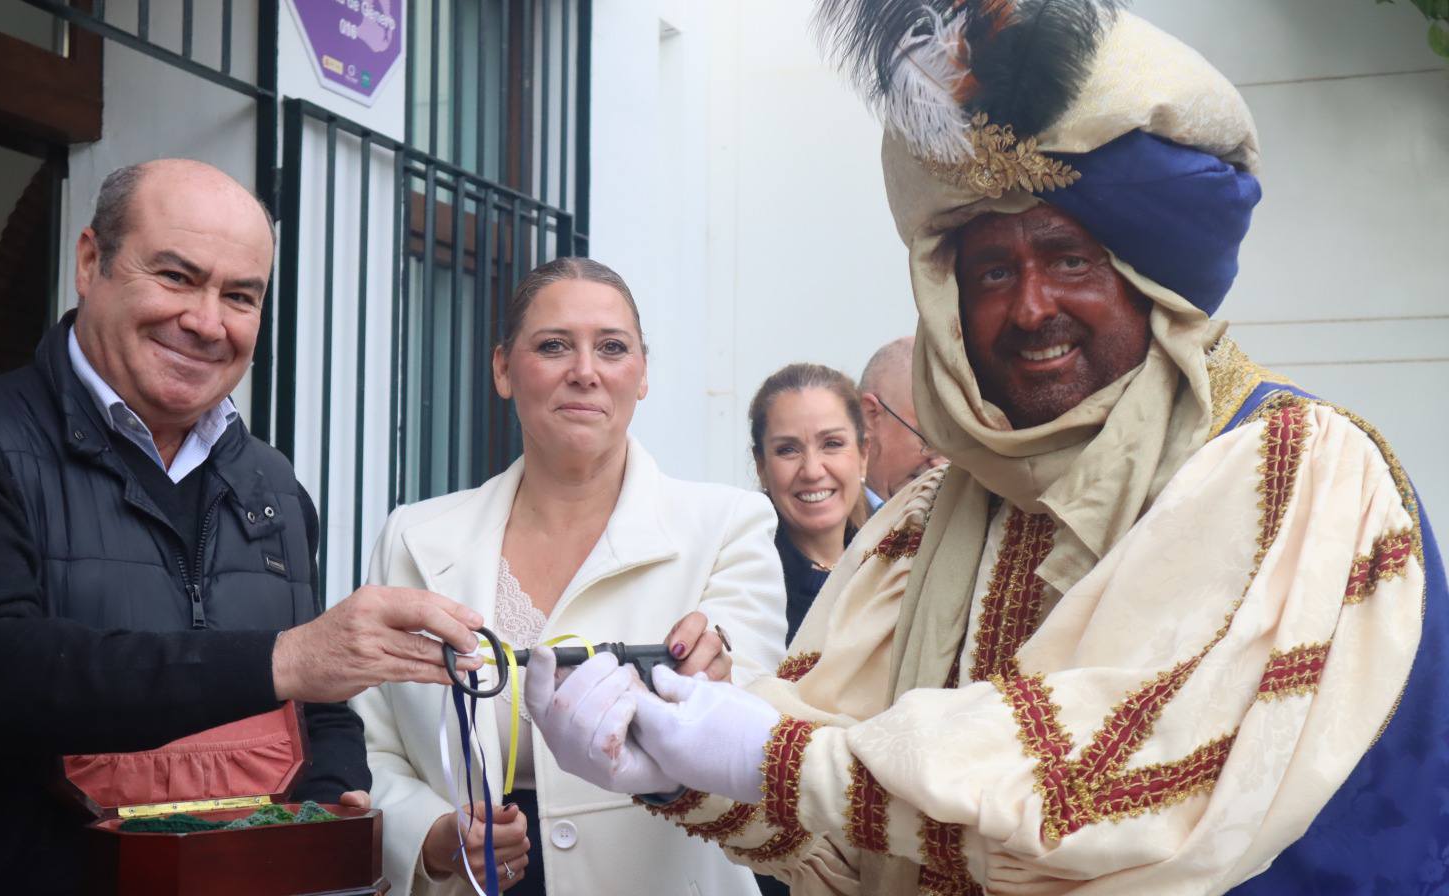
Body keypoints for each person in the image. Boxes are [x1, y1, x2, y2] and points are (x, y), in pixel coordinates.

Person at [526, 5, 1448, 894]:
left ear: (1151, 281)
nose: (1032, 305)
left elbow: (1113, 805)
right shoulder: (937, 518)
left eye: (1070, 258)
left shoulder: (1295, 469)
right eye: (993, 271)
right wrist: (659, 753)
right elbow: (833, 805)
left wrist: (767, 757)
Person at [0, 159, 487, 895]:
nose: (207, 321)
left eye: (240, 295)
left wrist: (331, 794)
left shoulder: (273, 487)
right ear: (91, 263)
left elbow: (318, 709)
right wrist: (281, 659)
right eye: (178, 277)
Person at [352, 257, 785, 895]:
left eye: (612, 348)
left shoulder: (727, 527)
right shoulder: (415, 539)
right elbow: (369, 745)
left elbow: (753, 748)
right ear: (503, 368)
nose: (585, 372)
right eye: (554, 346)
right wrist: (430, 835)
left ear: (641, 376)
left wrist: (711, 696)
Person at [749, 363, 869, 643]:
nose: (812, 471)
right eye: (788, 450)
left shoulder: (898, 573)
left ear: (864, 454)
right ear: (761, 466)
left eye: (832, 443)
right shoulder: (747, 585)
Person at [857, 336, 945, 506]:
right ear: (870, 415)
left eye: (958, 445)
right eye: (931, 441)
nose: (942, 464)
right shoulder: (824, 525)